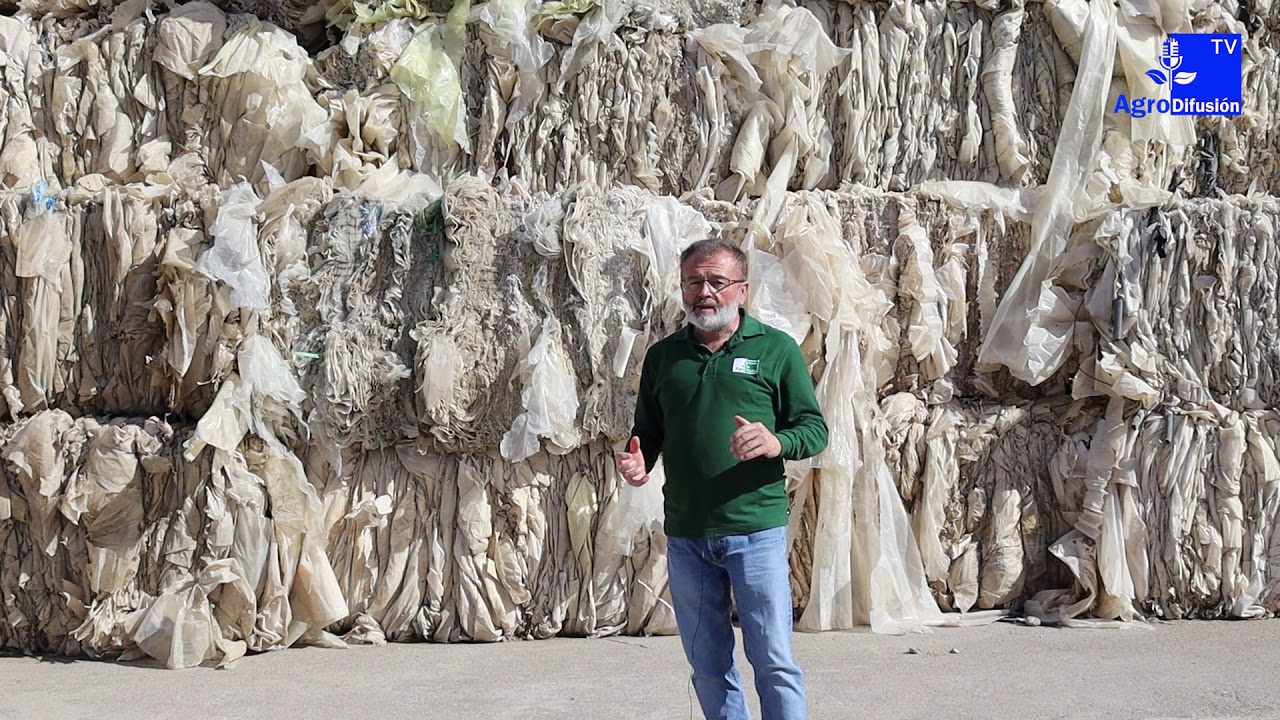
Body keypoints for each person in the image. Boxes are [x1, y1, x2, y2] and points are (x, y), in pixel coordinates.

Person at [615, 238, 828, 720]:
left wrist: (776, 443)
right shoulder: (664, 357)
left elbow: (814, 430)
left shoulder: (776, 350)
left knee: (773, 660)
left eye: (717, 281)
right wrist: (638, 461)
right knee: (708, 665)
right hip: (688, 534)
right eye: (694, 281)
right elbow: (647, 433)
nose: (704, 292)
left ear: (742, 290)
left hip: (755, 529)